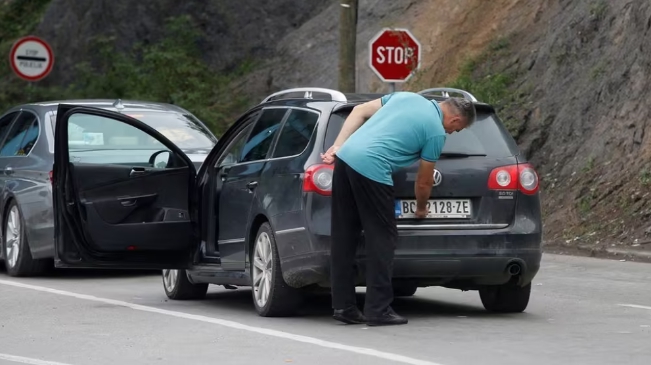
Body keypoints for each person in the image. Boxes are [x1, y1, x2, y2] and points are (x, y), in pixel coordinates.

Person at [321, 91, 476, 326]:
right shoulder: (435, 131)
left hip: (345, 159)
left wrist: (337, 146)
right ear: (455, 120)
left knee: (344, 236)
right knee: (382, 238)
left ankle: (344, 306)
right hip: (371, 168)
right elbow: (424, 181)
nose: (452, 132)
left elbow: (358, 111)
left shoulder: (406, 97)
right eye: (457, 129)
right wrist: (421, 209)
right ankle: (378, 309)